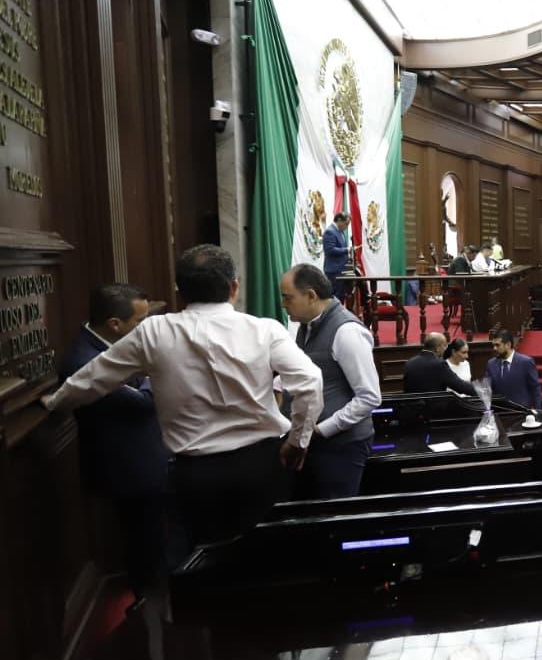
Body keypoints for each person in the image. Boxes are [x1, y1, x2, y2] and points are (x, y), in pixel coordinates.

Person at [44, 244, 324, 547]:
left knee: (203, 561)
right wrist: (298, 441)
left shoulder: (154, 332)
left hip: (196, 475)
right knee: (268, 554)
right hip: (262, 466)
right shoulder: (265, 330)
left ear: (181, 293)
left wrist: (56, 403)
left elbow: (91, 380)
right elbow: (310, 381)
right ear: (234, 287)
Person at [61, 283, 172, 598]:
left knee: (153, 541)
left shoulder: (114, 344)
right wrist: (155, 377)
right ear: (114, 324)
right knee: (143, 547)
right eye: (139, 321)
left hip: (145, 462)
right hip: (128, 470)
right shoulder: (85, 361)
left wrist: (149, 378)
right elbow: (143, 401)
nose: (144, 328)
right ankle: (148, 607)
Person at [280, 264, 381, 500]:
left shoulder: (347, 332)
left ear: (311, 295)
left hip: (341, 447)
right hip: (313, 442)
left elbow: (370, 397)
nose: (284, 304)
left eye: (288, 297)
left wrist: (320, 429)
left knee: (332, 515)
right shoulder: (306, 325)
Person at [486, 329, 542, 408]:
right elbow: (488, 389)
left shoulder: (526, 362)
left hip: (522, 411)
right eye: (493, 345)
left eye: (497, 345)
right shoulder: (491, 364)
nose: (494, 348)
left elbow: (535, 387)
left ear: (508, 344)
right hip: (500, 412)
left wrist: (538, 410)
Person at [323, 212, 352, 301]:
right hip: (334, 272)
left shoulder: (340, 232)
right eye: (346, 224)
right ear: (339, 220)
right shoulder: (330, 231)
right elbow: (330, 250)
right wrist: (346, 250)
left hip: (341, 271)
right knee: (334, 300)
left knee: (340, 299)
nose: (346, 227)